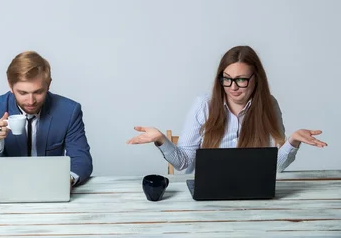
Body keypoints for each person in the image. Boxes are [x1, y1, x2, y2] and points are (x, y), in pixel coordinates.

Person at [127, 45, 327, 172]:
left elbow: (275, 167)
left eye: (241, 79)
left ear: (256, 79)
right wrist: (161, 140)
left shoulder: (269, 105)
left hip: (255, 195)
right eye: (227, 79)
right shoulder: (203, 105)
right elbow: (184, 163)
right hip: (210, 196)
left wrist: (292, 142)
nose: (233, 87)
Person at [0, 51, 93, 186]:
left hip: (52, 186)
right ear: (10, 85)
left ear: (48, 84)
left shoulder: (69, 111)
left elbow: (81, 159)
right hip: (10, 187)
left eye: (38, 92)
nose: (31, 101)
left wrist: (68, 180)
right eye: (23, 93)